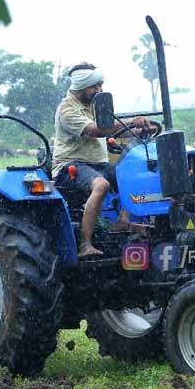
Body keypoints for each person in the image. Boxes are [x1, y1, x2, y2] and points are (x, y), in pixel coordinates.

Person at [52, 62, 152, 257]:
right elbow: (96, 130)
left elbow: (114, 129)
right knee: (101, 185)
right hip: (70, 165)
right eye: (94, 86)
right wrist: (130, 121)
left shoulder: (95, 106)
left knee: (134, 177)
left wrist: (139, 129)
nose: (99, 90)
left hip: (98, 164)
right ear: (80, 87)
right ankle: (84, 244)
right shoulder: (66, 110)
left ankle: (122, 221)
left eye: (100, 85)